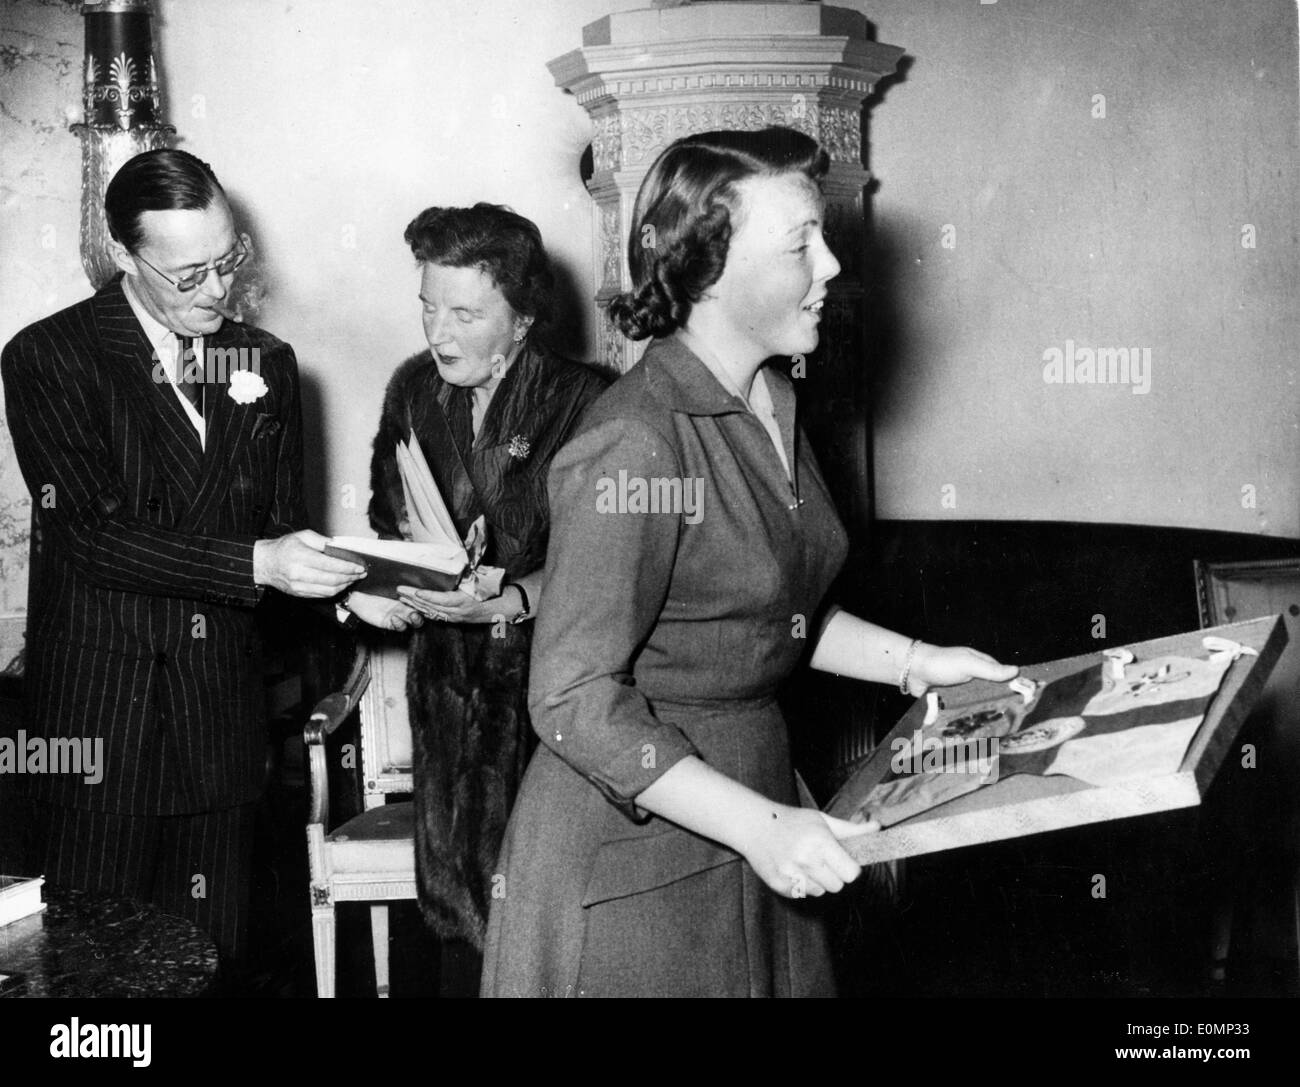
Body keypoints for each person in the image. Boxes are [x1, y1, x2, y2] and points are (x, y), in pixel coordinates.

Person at [481, 128, 1019, 997]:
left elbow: (768, 609)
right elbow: (571, 697)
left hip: (752, 803)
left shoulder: (771, 397)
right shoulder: (636, 443)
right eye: (802, 242)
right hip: (638, 855)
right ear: (708, 270)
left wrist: (921, 667)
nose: (834, 265)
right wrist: (760, 825)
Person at [1, 148, 365, 973]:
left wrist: (353, 592)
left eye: (227, 260)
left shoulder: (264, 363)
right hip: (104, 725)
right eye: (189, 273)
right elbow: (92, 535)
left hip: (217, 724)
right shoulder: (50, 356)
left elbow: (280, 530)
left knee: (211, 966)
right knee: (97, 982)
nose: (218, 291)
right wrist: (261, 565)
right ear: (125, 256)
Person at [345, 204, 607, 983]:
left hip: (551, 699)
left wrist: (513, 595)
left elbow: (614, 565)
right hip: (446, 697)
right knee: (458, 932)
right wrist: (392, 575)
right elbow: (382, 514)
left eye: (465, 312)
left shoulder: (590, 400)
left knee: (547, 935)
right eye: (429, 305)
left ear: (523, 318)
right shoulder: (413, 390)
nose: (440, 332)